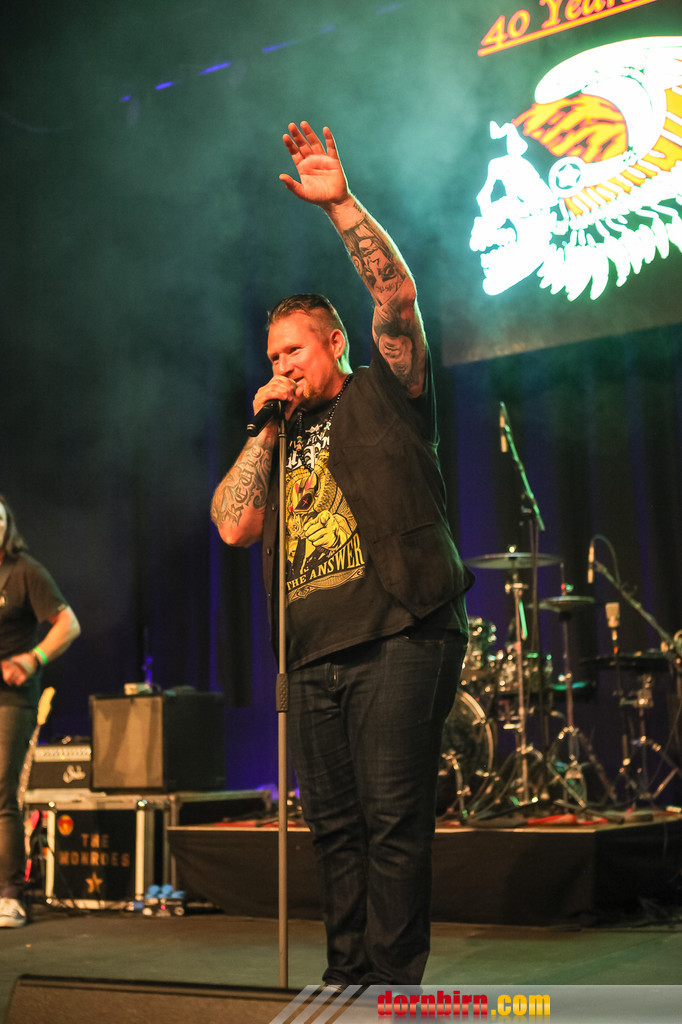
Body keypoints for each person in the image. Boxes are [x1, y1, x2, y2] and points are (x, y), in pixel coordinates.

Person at [211, 122, 473, 986]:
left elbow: (397, 299)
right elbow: (233, 526)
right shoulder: (279, 433)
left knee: (392, 818)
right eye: (272, 356)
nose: (282, 365)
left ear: (334, 344)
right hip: (311, 653)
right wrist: (263, 427)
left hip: (401, 633)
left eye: (293, 350)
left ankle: (391, 990)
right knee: (335, 828)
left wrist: (340, 207)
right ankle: (346, 981)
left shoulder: (386, 390)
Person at [0, 494, 81, 928]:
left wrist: (34, 658)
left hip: (11, 698)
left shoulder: (25, 571)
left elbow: (68, 623)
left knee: (1, 789)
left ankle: (11, 895)